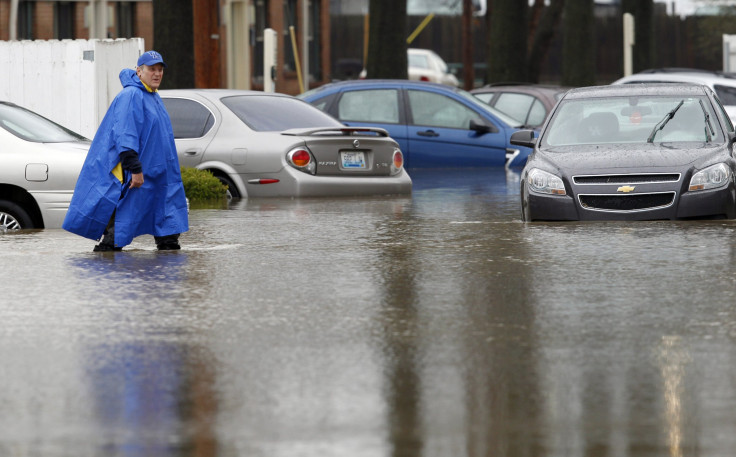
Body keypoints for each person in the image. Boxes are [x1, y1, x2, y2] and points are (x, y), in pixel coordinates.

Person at [63, 50, 189, 251]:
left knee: (169, 237)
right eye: (151, 69)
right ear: (139, 71)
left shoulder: (153, 96)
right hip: (137, 177)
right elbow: (125, 137)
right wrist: (136, 171)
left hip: (159, 179)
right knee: (118, 233)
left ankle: (165, 280)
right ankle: (107, 276)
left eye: (160, 69)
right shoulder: (131, 96)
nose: (157, 74)